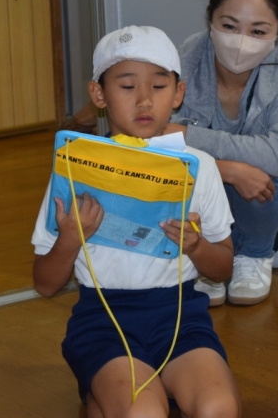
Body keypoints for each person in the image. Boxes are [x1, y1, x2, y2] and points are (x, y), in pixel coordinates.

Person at [32, 25, 241, 417]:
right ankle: (114, 393)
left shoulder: (200, 169)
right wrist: (70, 239)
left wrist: (195, 246)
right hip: (103, 320)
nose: (144, 100)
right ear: (98, 94)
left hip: (180, 316)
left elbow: (224, 268)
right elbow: (44, 285)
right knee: (143, 413)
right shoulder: (75, 169)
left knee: (220, 408)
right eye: (127, 87)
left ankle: (121, 396)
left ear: (178, 93)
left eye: (160, 87)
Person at [164, 0, 278, 306]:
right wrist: (230, 169)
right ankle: (204, 260)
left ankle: (254, 255)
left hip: (264, 207)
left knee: (265, 177)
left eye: (258, 30)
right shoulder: (185, 61)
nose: (240, 41)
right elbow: (160, 144)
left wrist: (191, 136)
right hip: (196, 214)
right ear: (210, 19)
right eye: (229, 26)